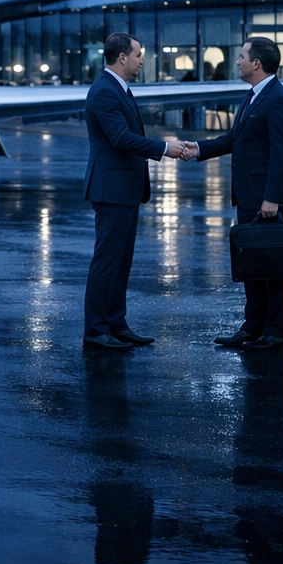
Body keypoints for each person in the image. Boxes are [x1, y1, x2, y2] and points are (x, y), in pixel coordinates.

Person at [185, 36, 283, 351]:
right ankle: (253, 326)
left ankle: (274, 332)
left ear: (256, 63)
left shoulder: (279, 99)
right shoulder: (253, 97)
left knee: (274, 266)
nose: (237, 61)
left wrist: (272, 198)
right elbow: (234, 138)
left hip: (267, 197)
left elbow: (281, 154)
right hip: (248, 194)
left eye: (241, 56)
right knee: (252, 262)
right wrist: (196, 149)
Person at [81, 32, 189, 350]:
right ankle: (96, 330)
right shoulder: (104, 91)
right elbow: (121, 139)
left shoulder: (119, 89)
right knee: (107, 260)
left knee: (121, 261)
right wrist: (165, 148)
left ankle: (116, 323)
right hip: (111, 188)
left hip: (124, 189)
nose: (142, 60)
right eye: (139, 54)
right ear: (122, 57)